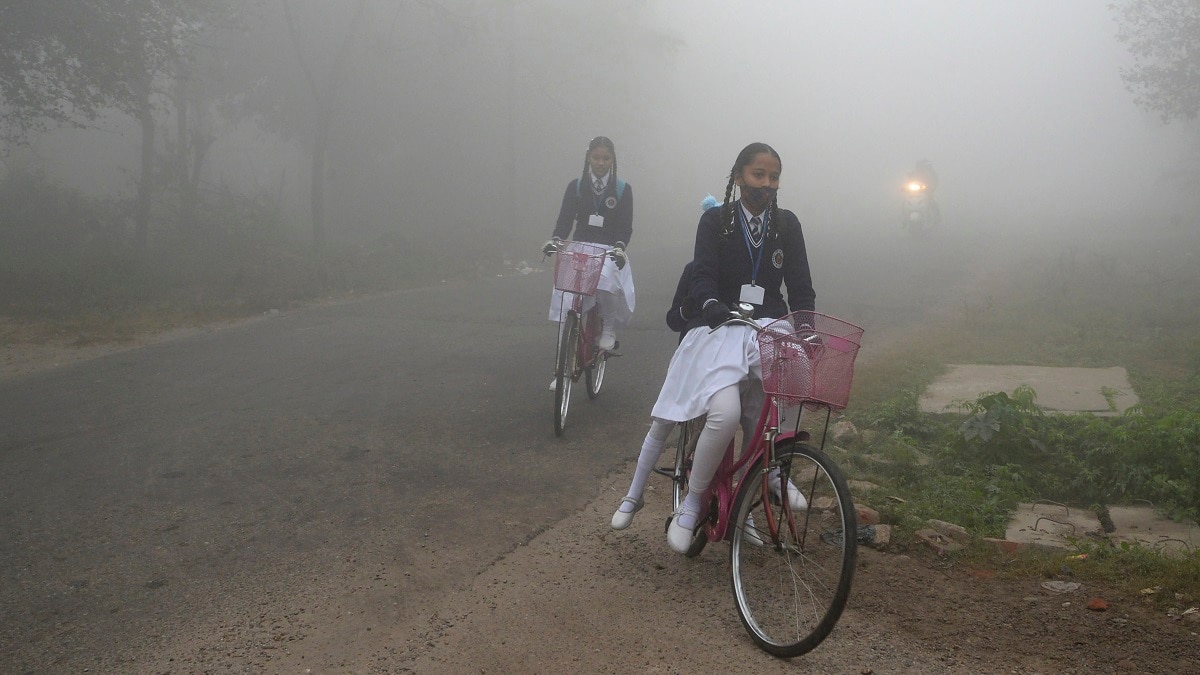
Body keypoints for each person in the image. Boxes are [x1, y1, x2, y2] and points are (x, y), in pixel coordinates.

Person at [609, 142, 815, 553]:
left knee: (797, 373)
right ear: (739, 176)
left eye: (774, 177)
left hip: (765, 329)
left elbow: (801, 287)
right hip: (721, 327)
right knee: (725, 413)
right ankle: (691, 505)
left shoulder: (787, 226)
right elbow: (702, 273)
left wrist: (806, 329)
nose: (767, 185)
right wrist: (709, 304)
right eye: (759, 175)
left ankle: (773, 472)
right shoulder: (716, 222)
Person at [542, 136, 636, 390]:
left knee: (606, 282)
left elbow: (625, 226)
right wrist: (556, 240)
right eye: (596, 157)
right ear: (588, 158)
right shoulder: (576, 186)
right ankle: (561, 369)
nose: (601, 163)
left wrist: (619, 247)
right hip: (579, 247)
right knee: (564, 300)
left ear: (612, 160)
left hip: (608, 250)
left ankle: (608, 328)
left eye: (606, 158)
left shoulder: (622, 189)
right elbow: (565, 219)